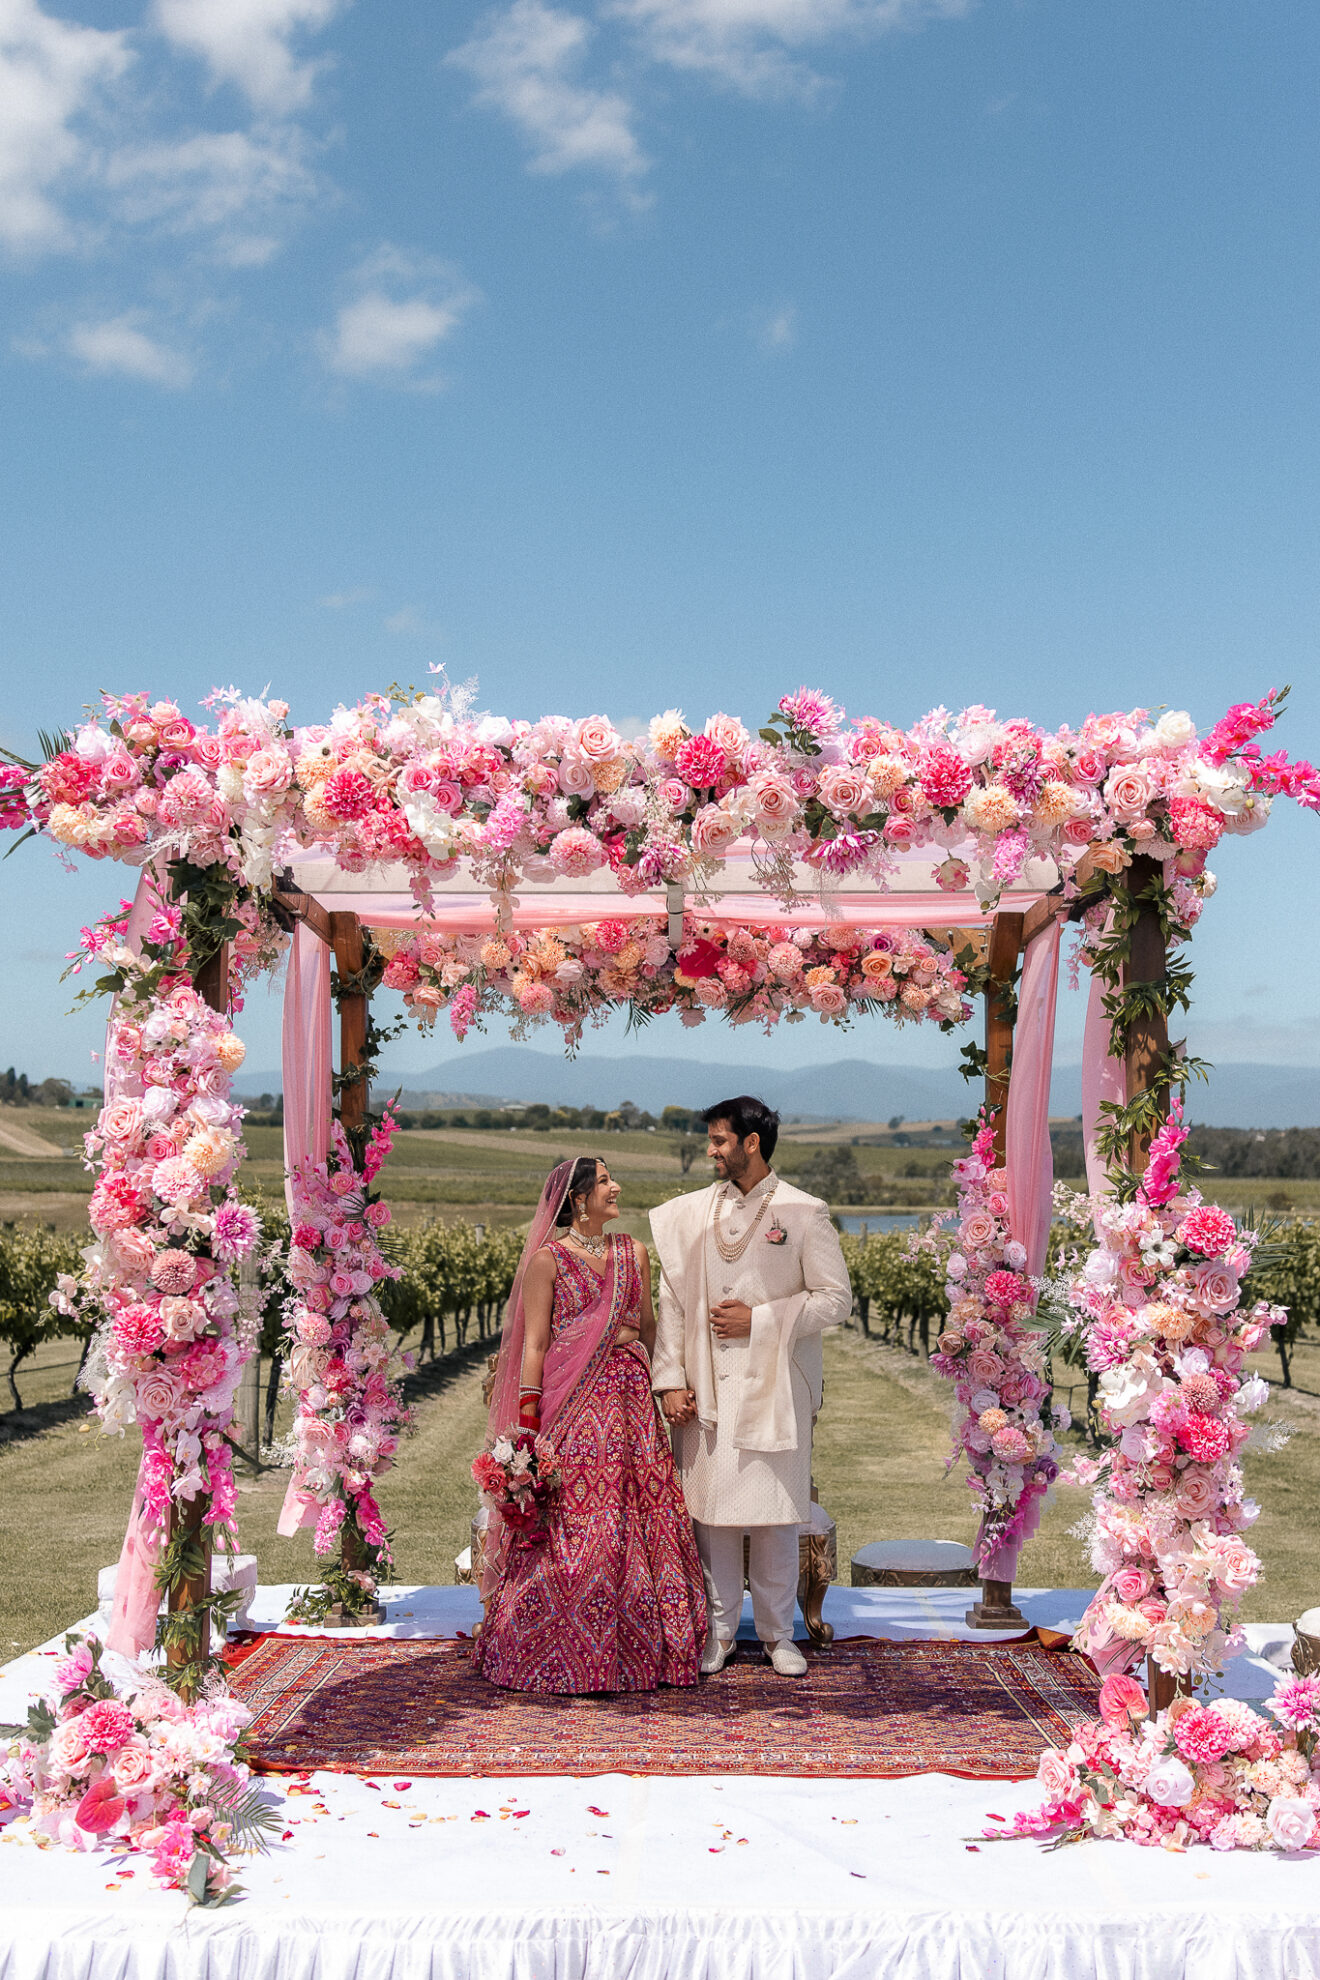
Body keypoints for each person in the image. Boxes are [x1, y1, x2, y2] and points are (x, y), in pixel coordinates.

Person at [474, 1155, 707, 1694]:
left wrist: (662, 1385)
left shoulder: (633, 1253)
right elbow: (535, 1345)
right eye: (604, 1181)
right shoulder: (547, 1262)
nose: (615, 1187)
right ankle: (555, 1648)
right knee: (580, 1516)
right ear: (579, 1199)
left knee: (641, 1508)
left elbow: (648, 1328)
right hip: (572, 1407)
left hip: (630, 1403)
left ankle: (647, 1648)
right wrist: (528, 1428)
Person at [649, 1096, 851, 1677]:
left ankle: (778, 1634)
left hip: (777, 1386)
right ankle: (718, 1632)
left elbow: (836, 1299)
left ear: (751, 1143)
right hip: (706, 1385)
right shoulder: (689, 1213)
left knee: (775, 1514)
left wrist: (759, 1320)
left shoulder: (803, 1211)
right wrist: (670, 1380)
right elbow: (671, 1302)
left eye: (720, 1140)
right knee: (711, 1514)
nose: (711, 1150)